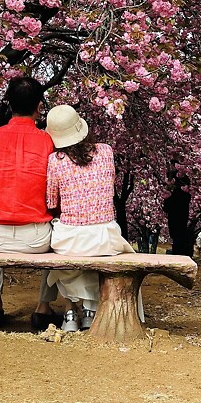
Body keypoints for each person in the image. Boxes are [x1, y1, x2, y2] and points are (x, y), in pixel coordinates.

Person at [0, 76, 61, 330]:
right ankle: (43, 307)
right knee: (59, 238)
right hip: (36, 239)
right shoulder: (48, 142)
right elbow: (56, 196)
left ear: (8, 104)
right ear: (39, 106)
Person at [44, 104, 140, 332]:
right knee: (92, 251)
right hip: (105, 236)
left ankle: (70, 313)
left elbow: (51, 202)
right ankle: (90, 311)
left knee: (65, 253)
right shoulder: (106, 151)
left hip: (71, 239)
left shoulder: (55, 160)